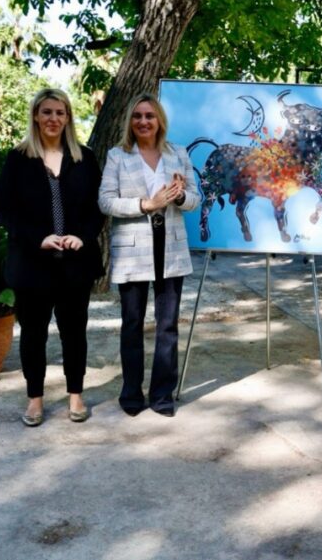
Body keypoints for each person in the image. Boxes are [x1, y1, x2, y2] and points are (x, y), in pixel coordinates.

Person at [0, 88, 104, 427]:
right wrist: (36, 238)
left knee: (75, 333)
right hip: (32, 264)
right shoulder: (18, 158)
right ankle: (35, 400)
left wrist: (81, 236)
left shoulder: (84, 158)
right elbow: (6, 211)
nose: (53, 118)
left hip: (74, 265)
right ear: (35, 116)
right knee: (33, 334)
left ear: (68, 117)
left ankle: (76, 395)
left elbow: (96, 209)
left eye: (60, 112)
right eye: (47, 112)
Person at [98, 93, 200, 417]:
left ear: (159, 122)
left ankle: (161, 396)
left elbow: (195, 199)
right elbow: (105, 202)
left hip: (170, 248)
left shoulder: (178, 153)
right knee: (132, 324)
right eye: (137, 116)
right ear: (131, 121)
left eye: (149, 116)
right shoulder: (118, 156)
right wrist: (147, 204)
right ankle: (131, 395)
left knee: (167, 325)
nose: (143, 121)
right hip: (132, 252)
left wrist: (180, 195)